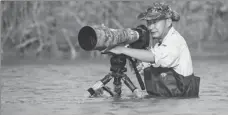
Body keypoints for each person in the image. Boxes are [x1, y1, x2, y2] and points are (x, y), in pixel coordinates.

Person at [106, 2, 200, 98]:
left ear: (168, 21)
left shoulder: (175, 41)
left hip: (177, 106)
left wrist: (122, 50)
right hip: (165, 103)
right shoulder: (160, 44)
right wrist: (128, 48)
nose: (150, 27)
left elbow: (154, 57)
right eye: (149, 23)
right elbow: (143, 69)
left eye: (155, 22)